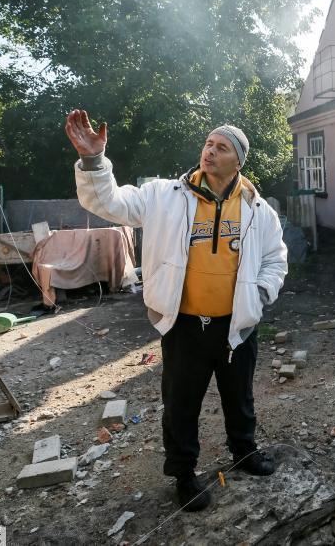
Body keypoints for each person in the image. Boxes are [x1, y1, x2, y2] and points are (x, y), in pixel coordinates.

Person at [65, 109, 287, 512]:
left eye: (222, 148)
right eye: (208, 143)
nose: (210, 151)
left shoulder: (257, 209)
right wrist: (94, 161)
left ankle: (244, 451)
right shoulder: (163, 196)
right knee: (181, 405)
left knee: (240, 397)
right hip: (185, 327)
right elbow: (109, 202)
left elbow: (276, 259)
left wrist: (260, 293)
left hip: (236, 326)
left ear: (238, 162)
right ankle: (184, 476)